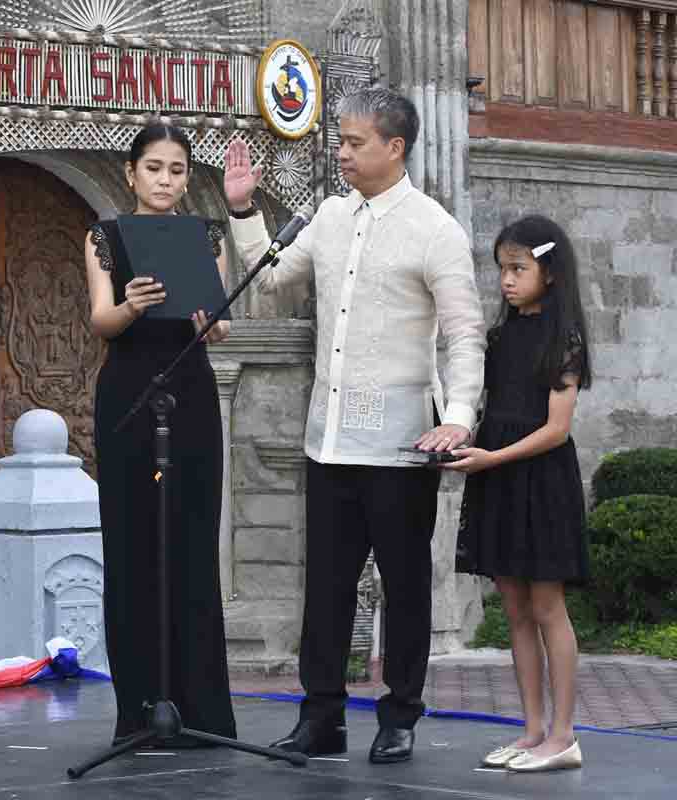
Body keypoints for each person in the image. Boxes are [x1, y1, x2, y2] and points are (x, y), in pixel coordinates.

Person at [223, 87, 486, 763]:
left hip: (403, 443)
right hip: (328, 438)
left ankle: (399, 715)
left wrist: (457, 418)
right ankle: (323, 719)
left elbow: (464, 334)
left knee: (405, 587)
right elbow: (272, 281)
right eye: (339, 140)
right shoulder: (332, 218)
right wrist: (244, 209)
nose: (340, 152)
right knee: (326, 588)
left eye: (354, 142)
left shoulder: (435, 229)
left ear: (395, 147)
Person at [84, 123, 236, 745]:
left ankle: (202, 711)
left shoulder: (209, 235)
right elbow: (101, 320)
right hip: (129, 393)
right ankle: (138, 710)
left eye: (176, 170)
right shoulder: (105, 236)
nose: (165, 181)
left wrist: (211, 322)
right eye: (153, 168)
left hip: (191, 392)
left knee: (193, 544)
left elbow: (221, 327)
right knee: (132, 546)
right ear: (131, 173)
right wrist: (132, 305)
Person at [445, 216, 591, 773]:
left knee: (547, 606)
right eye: (502, 269)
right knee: (514, 610)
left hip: (540, 481)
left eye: (518, 269)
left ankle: (564, 734)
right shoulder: (500, 337)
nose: (506, 280)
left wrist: (491, 459)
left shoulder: (564, 340)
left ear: (548, 273)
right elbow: (486, 408)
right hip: (499, 478)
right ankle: (532, 731)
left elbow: (556, 429)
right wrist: (458, 441)